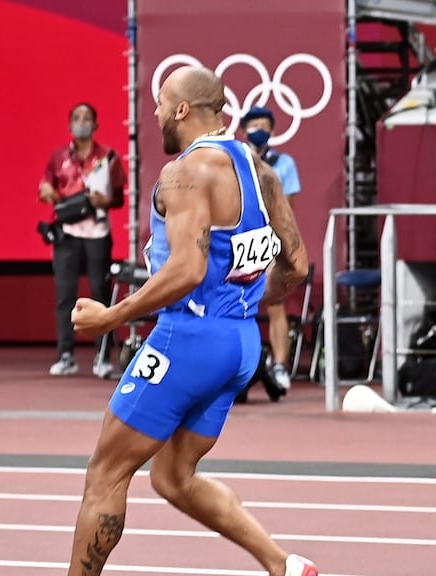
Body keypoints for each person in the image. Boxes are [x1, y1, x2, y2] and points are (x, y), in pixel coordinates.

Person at [66, 67, 316, 576]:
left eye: (160, 103)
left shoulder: (184, 172)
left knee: (106, 473)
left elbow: (187, 269)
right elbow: (297, 265)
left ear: (181, 109)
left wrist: (111, 316)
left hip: (190, 339)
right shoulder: (258, 168)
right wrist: (238, 304)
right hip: (241, 345)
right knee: (174, 477)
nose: (155, 112)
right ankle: (283, 564)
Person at [38, 103, 126, 377]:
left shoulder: (109, 157)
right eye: (76, 118)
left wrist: (106, 200)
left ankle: (102, 358)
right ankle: (66, 355)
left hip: (97, 234)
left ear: (96, 125)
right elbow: (45, 186)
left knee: (100, 293)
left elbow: (120, 199)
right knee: (65, 295)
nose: (81, 122)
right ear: (69, 125)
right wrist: (46, 191)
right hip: (66, 234)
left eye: (87, 118)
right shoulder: (58, 157)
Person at [241, 106, 302, 391]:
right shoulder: (236, 160)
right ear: (244, 129)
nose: (259, 129)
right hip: (240, 242)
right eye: (254, 124)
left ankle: (279, 367)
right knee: (239, 304)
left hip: (271, 242)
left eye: (264, 124)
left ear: (273, 129)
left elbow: (286, 208)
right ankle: (241, 367)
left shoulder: (283, 163)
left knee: (275, 304)